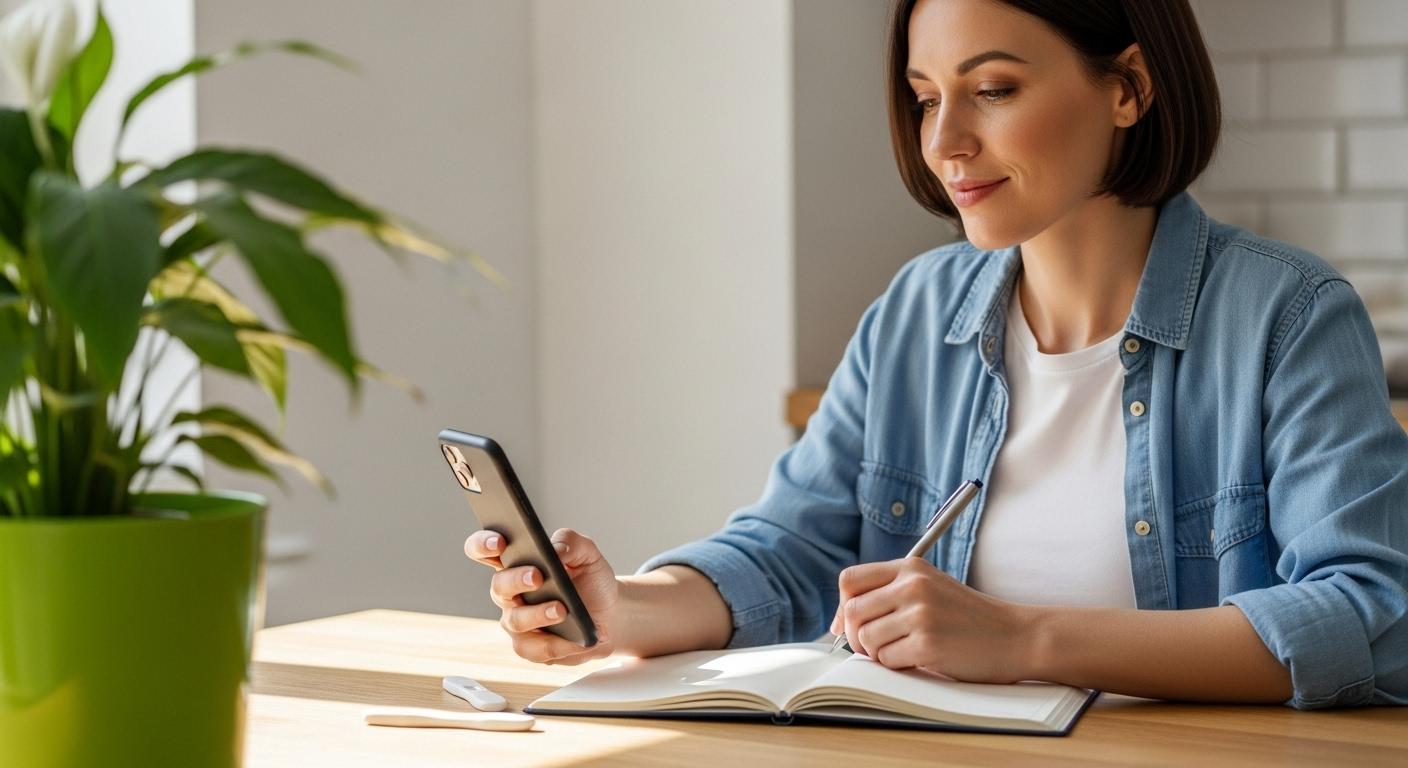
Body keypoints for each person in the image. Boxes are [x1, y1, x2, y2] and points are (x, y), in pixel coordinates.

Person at [465, 0, 1408, 709]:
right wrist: (622, 609)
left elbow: (1371, 615)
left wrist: (1024, 639)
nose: (945, 143)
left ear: (1127, 87)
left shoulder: (1286, 314)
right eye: (926, 99)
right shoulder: (917, 310)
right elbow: (793, 550)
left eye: (993, 90)